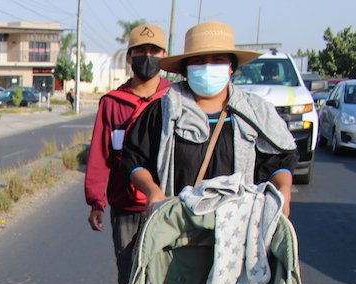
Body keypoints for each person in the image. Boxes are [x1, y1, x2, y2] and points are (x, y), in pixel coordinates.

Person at [121, 21, 297, 222]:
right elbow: (134, 158)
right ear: (185, 69)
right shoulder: (162, 111)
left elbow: (280, 158)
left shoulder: (255, 112)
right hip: (180, 228)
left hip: (237, 228)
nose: (207, 67)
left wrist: (283, 189)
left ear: (231, 67)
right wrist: (152, 191)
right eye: (199, 61)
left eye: (217, 60)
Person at [84, 24, 171, 284]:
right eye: (140, 52)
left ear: (164, 56)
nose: (147, 58)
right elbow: (99, 155)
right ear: (130, 56)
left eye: (154, 52)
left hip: (167, 202)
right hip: (126, 201)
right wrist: (96, 201)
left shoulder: (173, 98)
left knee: (166, 264)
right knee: (128, 263)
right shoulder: (112, 103)